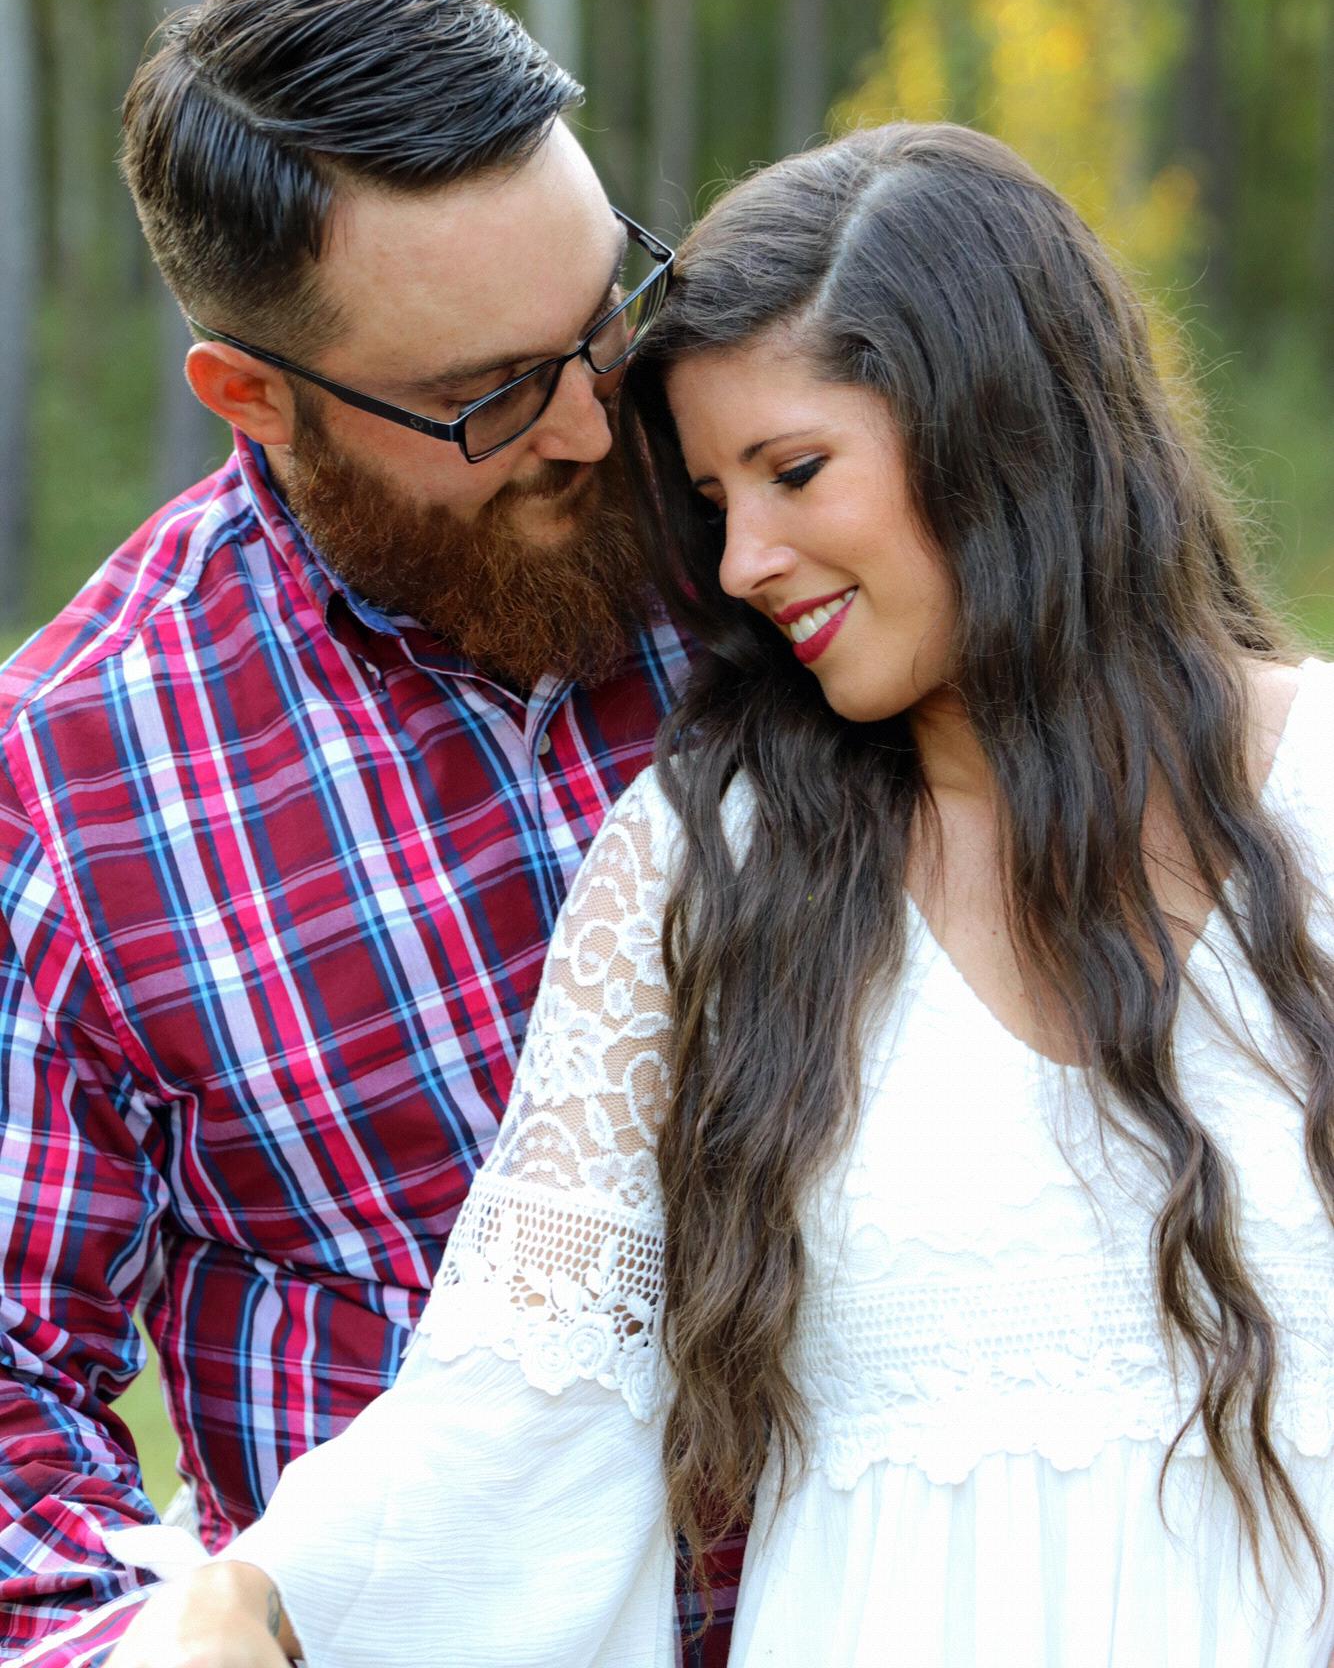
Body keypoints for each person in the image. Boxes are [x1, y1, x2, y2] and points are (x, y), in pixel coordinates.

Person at [104, 121, 1334, 1668]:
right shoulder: (710, 860)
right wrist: (256, 1602)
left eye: (793, 472)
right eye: (710, 499)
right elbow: (533, 1385)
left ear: (1002, 427)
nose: (741, 562)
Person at [0, 0, 743, 1664]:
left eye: (603, 317)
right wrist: (166, 1641)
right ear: (251, 396)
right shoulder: (74, 786)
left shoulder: (773, 524)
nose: (589, 427)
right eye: (485, 394)